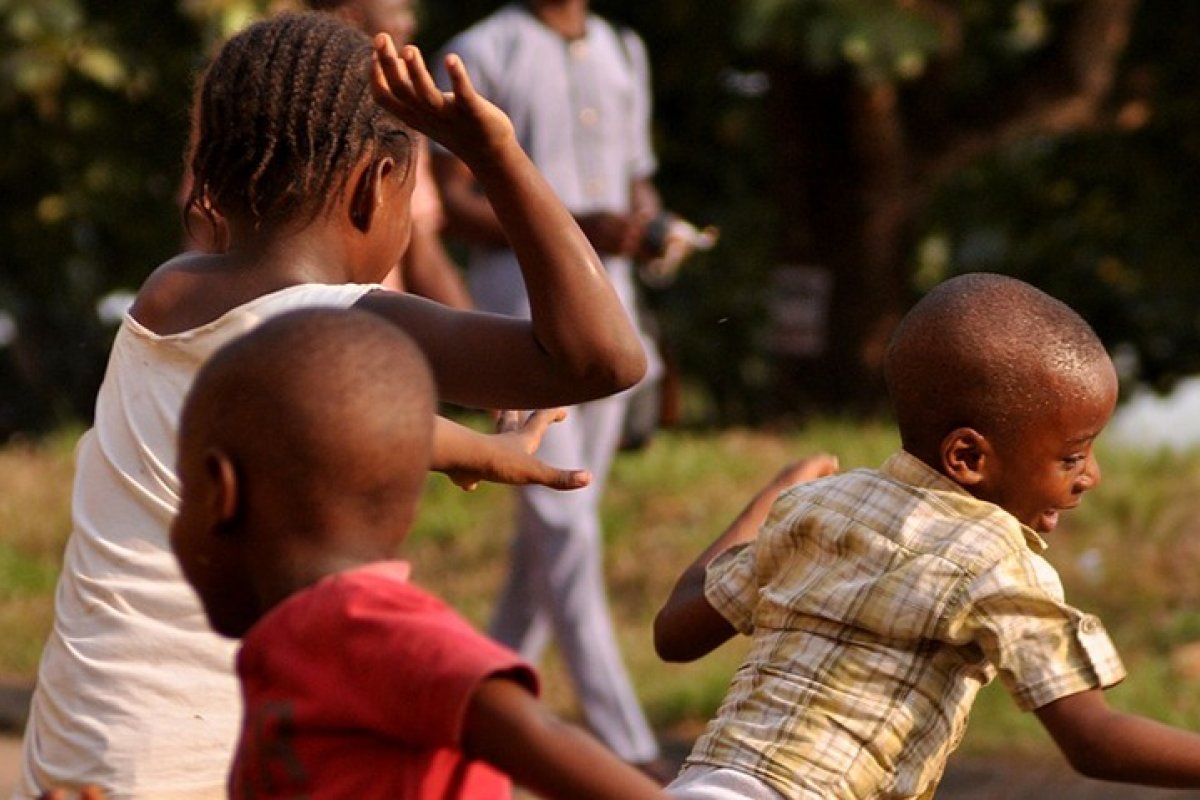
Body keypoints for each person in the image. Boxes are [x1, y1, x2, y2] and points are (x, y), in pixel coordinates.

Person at [16, 13, 648, 799]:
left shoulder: (167, 294)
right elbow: (603, 359)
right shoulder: (347, 317)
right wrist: (496, 155)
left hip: (81, 746)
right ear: (375, 186)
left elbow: (299, 416)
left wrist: (478, 448)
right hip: (203, 762)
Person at [654, 271, 1200, 799]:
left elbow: (675, 633)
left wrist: (770, 500)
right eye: (1073, 456)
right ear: (967, 457)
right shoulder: (997, 561)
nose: (1092, 476)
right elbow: (1093, 743)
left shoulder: (813, 509)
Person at [168, 307, 667, 799]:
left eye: (182, 495)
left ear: (220, 493)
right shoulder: (291, 642)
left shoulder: (362, 625)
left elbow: (537, 735)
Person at [431, 0, 670, 776]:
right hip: (521, 316)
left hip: (614, 316)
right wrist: (570, 228)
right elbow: (451, 204)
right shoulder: (483, 48)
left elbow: (639, 184)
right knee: (564, 520)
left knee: (560, 528)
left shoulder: (622, 48)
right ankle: (627, 744)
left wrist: (648, 229)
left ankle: (472, 714)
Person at [307, 0, 472, 307]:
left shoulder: (249, 98)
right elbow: (421, 252)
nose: (408, 24)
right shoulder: (391, 116)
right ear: (350, 17)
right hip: (370, 328)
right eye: (398, 11)